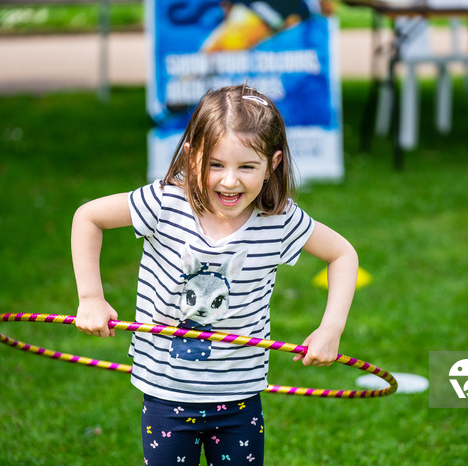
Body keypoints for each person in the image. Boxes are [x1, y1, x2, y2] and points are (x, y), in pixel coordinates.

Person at [71, 84, 358, 465]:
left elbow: (342, 254)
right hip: (166, 393)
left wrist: (331, 328)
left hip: (239, 397)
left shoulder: (279, 221)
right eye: (216, 164)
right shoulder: (165, 203)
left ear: (272, 164)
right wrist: (90, 297)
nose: (229, 181)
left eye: (247, 167)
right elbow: (88, 217)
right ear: (192, 158)